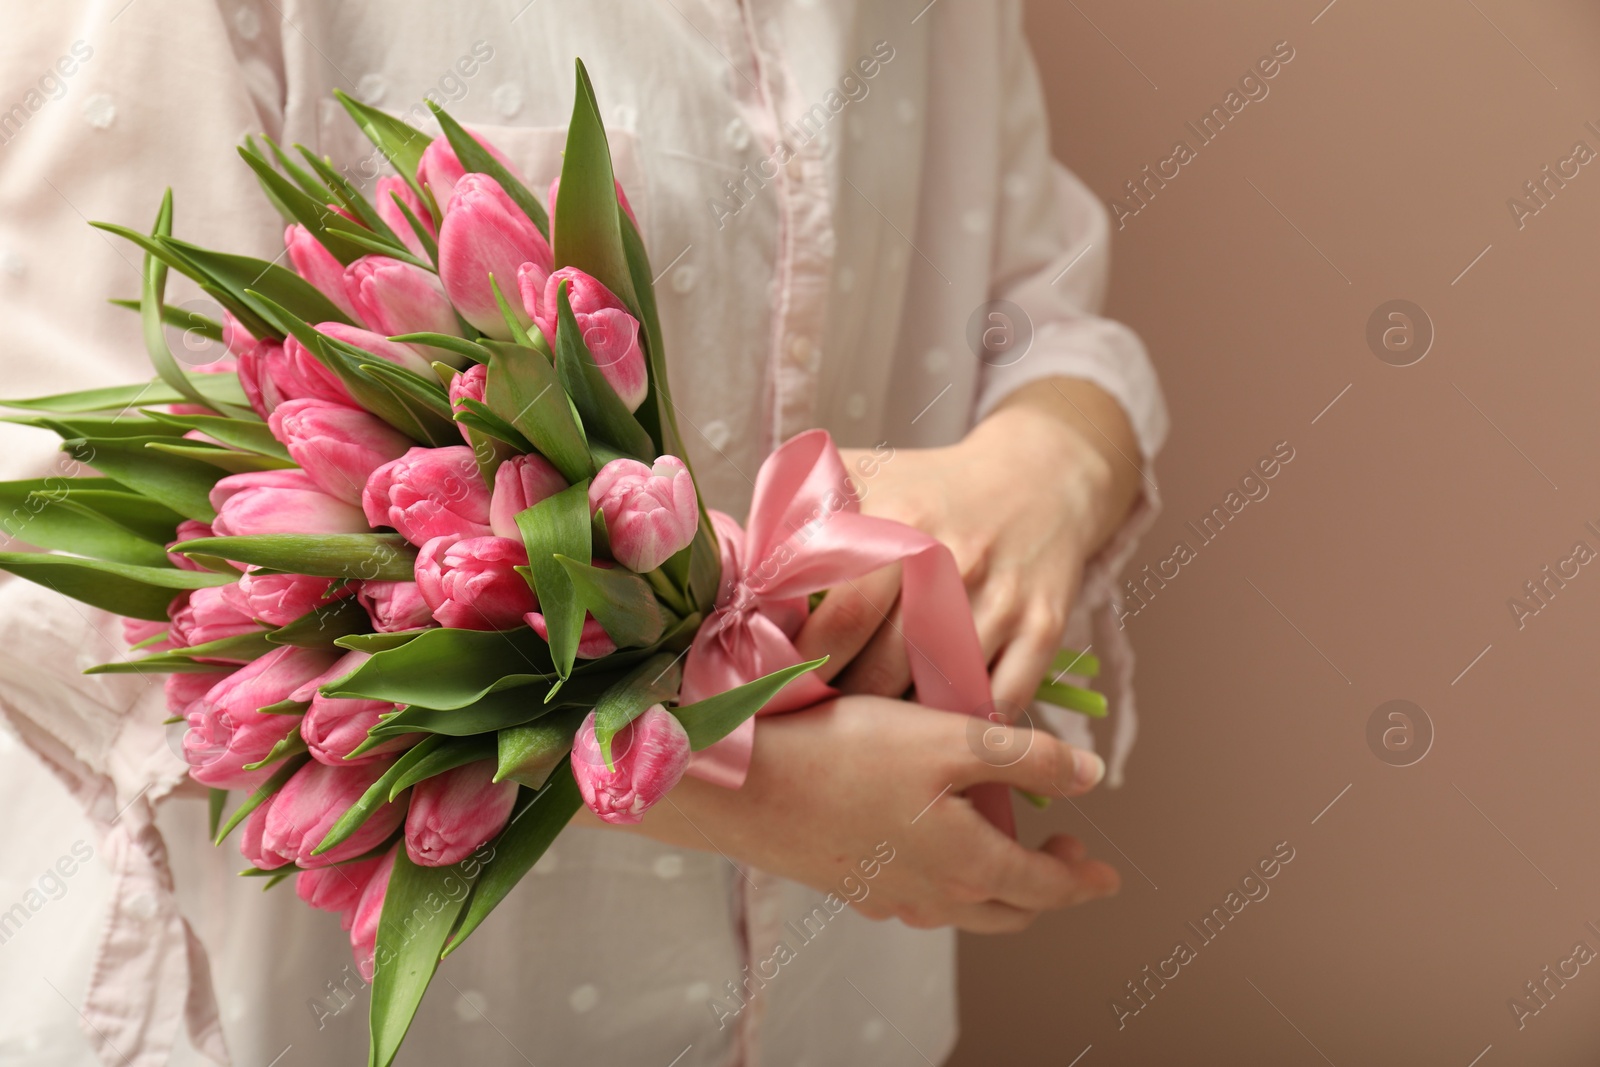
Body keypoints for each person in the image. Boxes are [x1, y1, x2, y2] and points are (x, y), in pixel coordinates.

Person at [0, 1, 1166, 1064]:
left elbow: (1036, 294)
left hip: (839, 1003)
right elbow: (72, 506)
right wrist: (736, 779)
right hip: (369, 1009)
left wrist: (1054, 458)